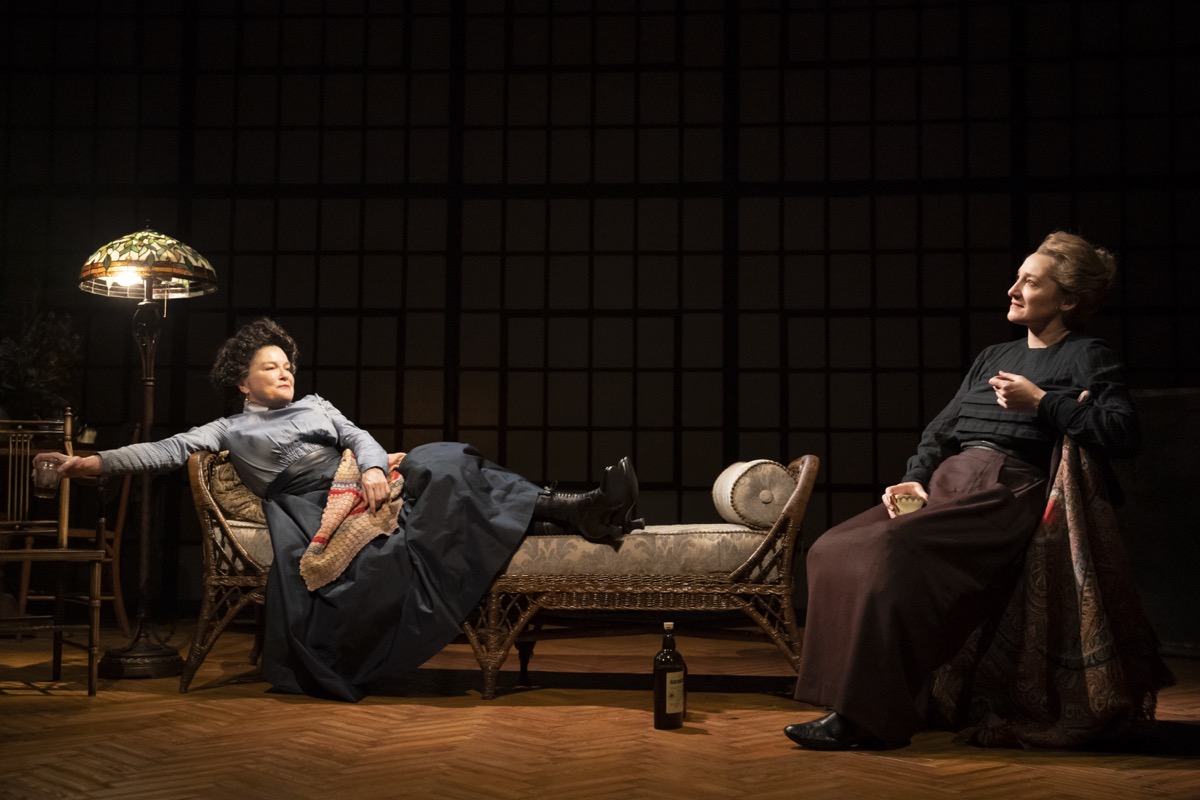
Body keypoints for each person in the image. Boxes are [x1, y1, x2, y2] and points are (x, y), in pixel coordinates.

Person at [42, 317, 641, 701]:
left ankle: (573, 507)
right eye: (270, 368)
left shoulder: (317, 406)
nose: (284, 372)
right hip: (308, 505)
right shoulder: (227, 429)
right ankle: (574, 509)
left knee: (446, 459)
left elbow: (361, 438)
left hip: (360, 481)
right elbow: (162, 451)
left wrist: (377, 469)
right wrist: (88, 464)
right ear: (243, 383)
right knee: (436, 488)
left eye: (287, 364)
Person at [783, 231, 1144, 750]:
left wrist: (1040, 401)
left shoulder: (1087, 354)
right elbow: (941, 429)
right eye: (1017, 278)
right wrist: (915, 476)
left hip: (1009, 489)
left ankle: (865, 718)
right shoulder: (993, 354)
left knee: (888, 552)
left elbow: (1122, 432)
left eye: (1029, 281)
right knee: (830, 549)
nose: (1012, 290)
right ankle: (842, 697)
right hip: (951, 480)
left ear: (1067, 300)